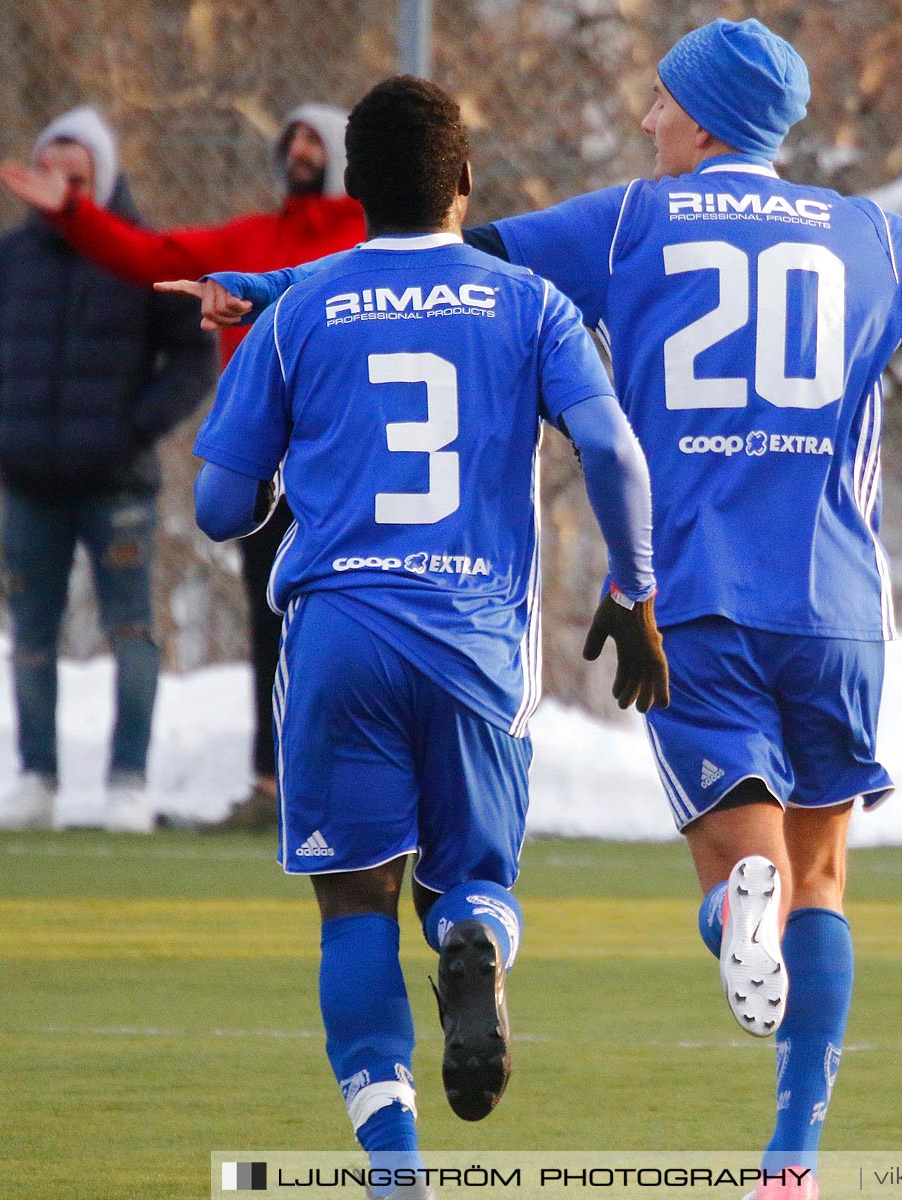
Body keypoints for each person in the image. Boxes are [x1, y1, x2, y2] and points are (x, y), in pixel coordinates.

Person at [184, 19, 902, 1196]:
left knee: (738, 865)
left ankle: (725, 916)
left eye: (662, 102)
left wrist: (259, 293)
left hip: (684, 603)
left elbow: (439, 260)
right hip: (835, 601)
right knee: (822, 875)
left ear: (707, 118)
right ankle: (790, 1161)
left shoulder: (628, 222)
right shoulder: (871, 239)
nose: (645, 121)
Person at [185, 76, 666, 1194]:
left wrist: (272, 495)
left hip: (341, 635)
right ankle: (480, 944)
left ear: (351, 190)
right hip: (473, 638)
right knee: (474, 881)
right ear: (465, 182)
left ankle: (395, 1172)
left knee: (356, 902)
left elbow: (218, 507)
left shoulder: (298, 308)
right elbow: (617, 453)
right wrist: (635, 592)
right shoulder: (530, 304)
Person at [0, 103, 366, 830]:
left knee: (350, 624)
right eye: (289, 137)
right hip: (269, 462)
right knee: (272, 619)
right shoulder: (251, 238)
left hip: (349, 464)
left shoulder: (369, 242)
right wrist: (76, 213)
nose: (297, 151)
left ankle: (352, 783)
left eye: (314, 140)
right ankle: (270, 784)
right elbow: (151, 256)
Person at [0, 105, 216, 834]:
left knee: (130, 630)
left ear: (104, 177)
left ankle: (127, 780)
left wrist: (134, 430)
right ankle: (36, 777)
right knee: (31, 634)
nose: (64, 185)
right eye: (52, 172)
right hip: (28, 478)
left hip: (117, 483)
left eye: (79, 174)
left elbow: (192, 356)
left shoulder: (140, 254)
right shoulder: (6, 261)